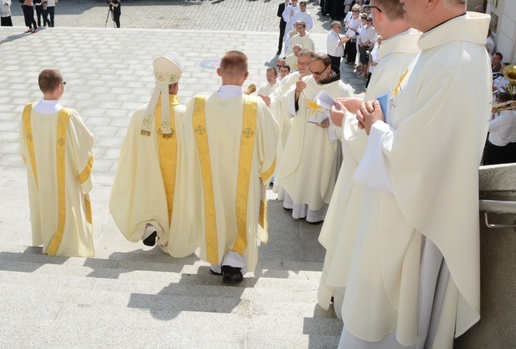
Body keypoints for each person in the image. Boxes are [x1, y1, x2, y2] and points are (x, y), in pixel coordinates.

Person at [343, 0, 492, 347]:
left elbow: (418, 159)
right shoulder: (439, 50)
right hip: (400, 207)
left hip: (413, 221)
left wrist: (377, 128)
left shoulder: (453, 62)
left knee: (390, 324)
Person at [316, 0, 420, 316]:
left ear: (376, 14)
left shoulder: (395, 63)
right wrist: (356, 102)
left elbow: (373, 135)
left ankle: (348, 304)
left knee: (355, 243)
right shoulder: (409, 53)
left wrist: (342, 121)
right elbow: (379, 110)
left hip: (376, 183)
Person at [183, 50, 279, 284]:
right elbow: (273, 139)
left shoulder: (197, 105)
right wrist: (264, 172)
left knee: (215, 210)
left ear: (218, 72)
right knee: (241, 214)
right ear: (246, 76)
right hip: (245, 181)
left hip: (210, 179)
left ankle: (216, 261)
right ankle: (234, 262)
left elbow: (187, 146)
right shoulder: (255, 106)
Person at [110, 52, 196, 257]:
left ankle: (153, 223)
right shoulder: (186, 115)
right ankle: (174, 232)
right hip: (178, 177)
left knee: (151, 190)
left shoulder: (140, 114)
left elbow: (129, 152)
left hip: (150, 174)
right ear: (176, 86)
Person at [19, 69, 96, 258]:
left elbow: (24, 147)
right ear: (60, 87)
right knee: (67, 209)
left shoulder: (28, 111)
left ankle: (48, 238)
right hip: (65, 176)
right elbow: (84, 146)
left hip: (39, 175)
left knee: (44, 203)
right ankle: (66, 246)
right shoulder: (68, 117)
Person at [273, 53, 353, 223]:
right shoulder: (306, 82)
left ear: (329, 68)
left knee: (320, 173)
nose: (314, 76)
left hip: (325, 143)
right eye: (312, 71)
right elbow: (288, 105)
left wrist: (331, 122)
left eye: (318, 73)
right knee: (301, 170)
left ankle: (316, 212)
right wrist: (296, 93)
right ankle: (296, 205)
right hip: (303, 137)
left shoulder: (343, 89)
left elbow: (349, 118)